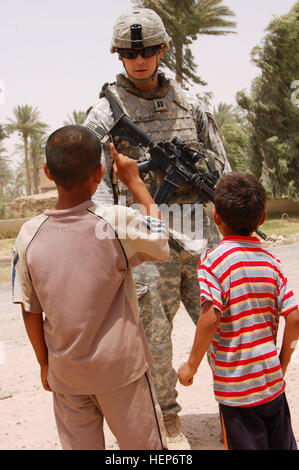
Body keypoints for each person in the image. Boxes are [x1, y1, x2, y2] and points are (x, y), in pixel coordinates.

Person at [84, 8, 231, 449]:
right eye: (130, 52)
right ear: (118, 54)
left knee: (224, 328)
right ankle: (168, 420)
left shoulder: (192, 104)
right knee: (155, 340)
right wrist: (121, 234)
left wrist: (202, 177)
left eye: (148, 49)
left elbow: (222, 166)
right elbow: (95, 184)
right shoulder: (104, 114)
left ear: (163, 49)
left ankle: (235, 411)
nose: (140, 58)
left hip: (201, 236)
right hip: (147, 243)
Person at [11, 125, 170, 450]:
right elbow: (161, 239)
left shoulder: (28, 235)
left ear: (47, 172)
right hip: (121, 372)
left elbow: (30, 308)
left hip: (67, 375)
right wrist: (135, 181)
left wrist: (45, 363)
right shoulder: (115, 221)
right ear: (99, 173)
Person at [178, 172, 299, 450]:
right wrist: (281, 363)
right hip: (272, 383)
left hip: (237, 391)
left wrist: (191, 366)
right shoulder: (272, 261)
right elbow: (294, 317)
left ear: (216, 216)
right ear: (263, 219)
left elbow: (211, 317)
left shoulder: (214, 260)